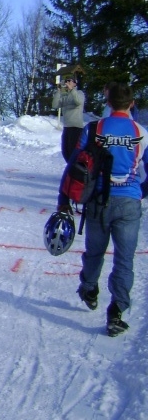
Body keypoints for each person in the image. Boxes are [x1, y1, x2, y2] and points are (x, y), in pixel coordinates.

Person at [59, 82, 148, 337]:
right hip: (129, 201)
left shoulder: (94, 128)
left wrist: (63, 200)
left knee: (95, 251)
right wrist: (140, 191)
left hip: (98, 200)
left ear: (108, 102)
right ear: (131, 103)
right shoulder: (141, 132)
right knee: (124, 259)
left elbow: (74, 166)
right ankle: (117, 311)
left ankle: (89, 288)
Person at [52, 75, 86, 163]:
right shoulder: (65, 97)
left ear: (75, 83)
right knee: (65, 151)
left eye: (70, 81)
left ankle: (75, 170)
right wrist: (58, 91)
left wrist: (72, 90)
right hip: (67, 127)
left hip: (76, 127)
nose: (67, 83)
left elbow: (78, 102)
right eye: (66, 81)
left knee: (73, 151)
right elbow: (55, 105)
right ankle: (71, 169)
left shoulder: (79, 93)